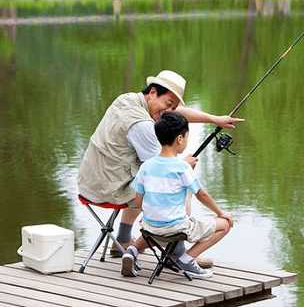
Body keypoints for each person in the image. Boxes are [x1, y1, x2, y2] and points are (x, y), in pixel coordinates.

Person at [78, 70, 242, 266]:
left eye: (173, 106)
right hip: (109, 189)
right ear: (153, 93)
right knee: (172, 185)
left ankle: (122, 240)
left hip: (90, 182)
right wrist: (183, 166)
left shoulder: (128, 99)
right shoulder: (142, 125)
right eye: (168, 104)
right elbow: (163, 169)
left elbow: (173, 113)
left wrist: (214, 119)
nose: (169, 110)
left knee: (144, 179)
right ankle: (177, 253)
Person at [121, 112, 232, 278]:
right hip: (175, 228)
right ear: (180, 139)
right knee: (225, 224)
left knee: (156, 225)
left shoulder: (146, 166)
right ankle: (186, 260)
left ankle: (132, 250)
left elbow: (138, 200)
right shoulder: (182, 167)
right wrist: (221, 213)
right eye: (186, 137)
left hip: (150, 226)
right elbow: (201, 194)